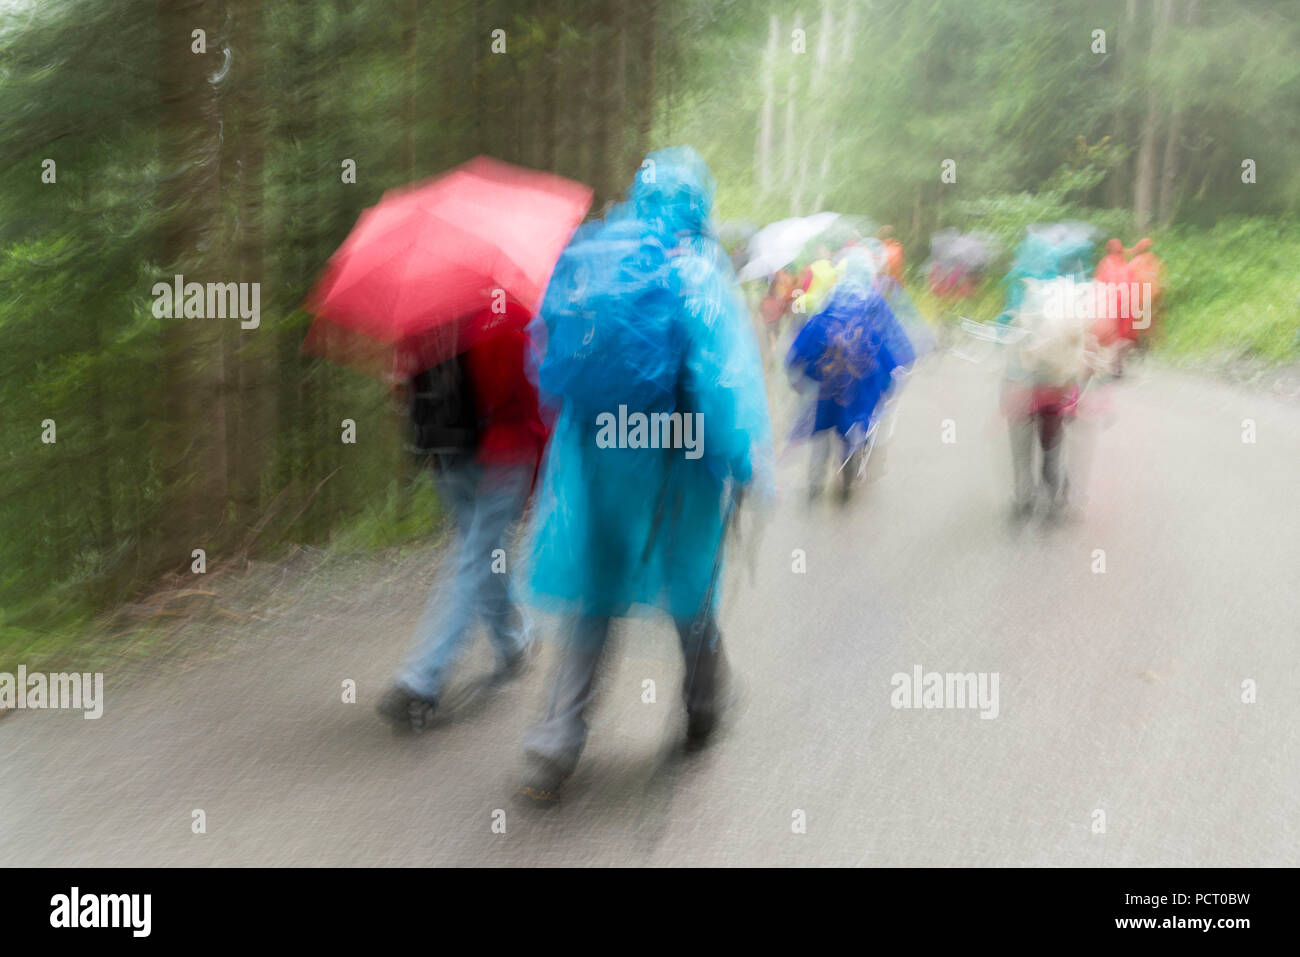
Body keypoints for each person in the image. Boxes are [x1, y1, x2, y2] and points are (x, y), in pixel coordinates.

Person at [517, 147, 772, 804]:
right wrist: (741, 463)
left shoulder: (589, 256)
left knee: (594, 595)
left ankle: (555, 741)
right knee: (690, 586)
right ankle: (703, 707)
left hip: (596, 458)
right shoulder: (696, 273)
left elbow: (542, 360)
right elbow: (724, 383)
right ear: (699, 204)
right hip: (675, 461)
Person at [377, 304, 548, 731]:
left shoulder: (422, 313)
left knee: (481, 554)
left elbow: (401, 387)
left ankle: (512, 642)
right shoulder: (505, 314)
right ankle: (421, 679)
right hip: (501, 454)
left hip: (445, 455)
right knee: (475, 559)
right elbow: (532, 393)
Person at [787, 279, 915, 502]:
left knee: (822, 438)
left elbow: (796, 355)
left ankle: (815, 484)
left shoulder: (818, 322)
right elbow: (886, 363)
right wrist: (885, 389)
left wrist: (798, 381)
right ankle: (847, 477)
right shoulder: (866, 327)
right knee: (849, 434)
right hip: (855, 400)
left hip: (824, 398)